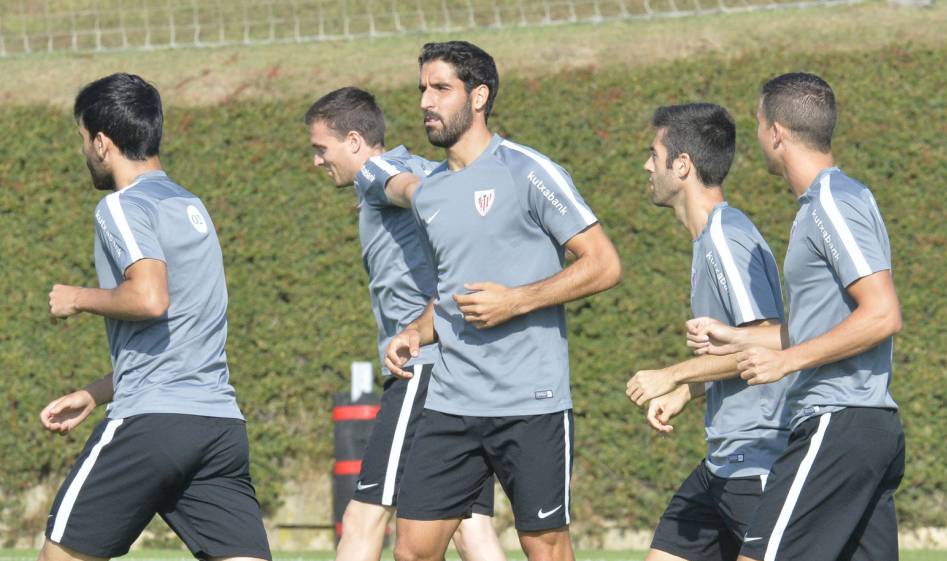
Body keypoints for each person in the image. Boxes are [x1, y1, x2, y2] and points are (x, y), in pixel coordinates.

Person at [369, 41, 621, 561]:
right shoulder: (431, 193)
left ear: (478, 96)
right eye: (422, 89)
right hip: (451, 401)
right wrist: (414, 333)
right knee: (412, 549)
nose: (425, 102)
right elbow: (450, 294)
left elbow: (603, 263)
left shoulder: (528, 171)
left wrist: (517, 301)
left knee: (545, 548)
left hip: (530, 402)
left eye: (441, 88)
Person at [38, 73, 270, 561]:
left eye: (83, 139)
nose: (84, 151)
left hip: (151, 424)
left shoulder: (122, 206)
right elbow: (178, 338)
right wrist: (93, 393)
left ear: (102, 143)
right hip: (219, 429)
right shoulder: (190, 206)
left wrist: (77, 298)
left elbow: (149, 299)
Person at [688, 73, 905, 561]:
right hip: (861, 428)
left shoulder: (832, 202)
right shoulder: (831, 201)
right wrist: (738, 338)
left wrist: (787, 363)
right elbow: (821, 327)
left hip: (836, 421)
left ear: (776, 133)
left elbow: (882, 313)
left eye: (758, 123)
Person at [304, 87, 506, 561]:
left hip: (423, 367)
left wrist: (426, 197)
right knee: (469, 526)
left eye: (321, 148)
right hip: (468, 367)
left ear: (354, 141)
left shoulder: (378, 172)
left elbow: (406, 188)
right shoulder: (430, 166)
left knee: (364, 516)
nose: (316, 161)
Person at [625, 103, 790, 561]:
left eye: (654, 155)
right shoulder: (709, 239)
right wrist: (688, 392)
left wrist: (673, 374)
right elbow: (733, 351)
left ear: (682, 165)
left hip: (756, 461)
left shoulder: (724, 237)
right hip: (721, 463)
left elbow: (766, 342)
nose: (647, 166)